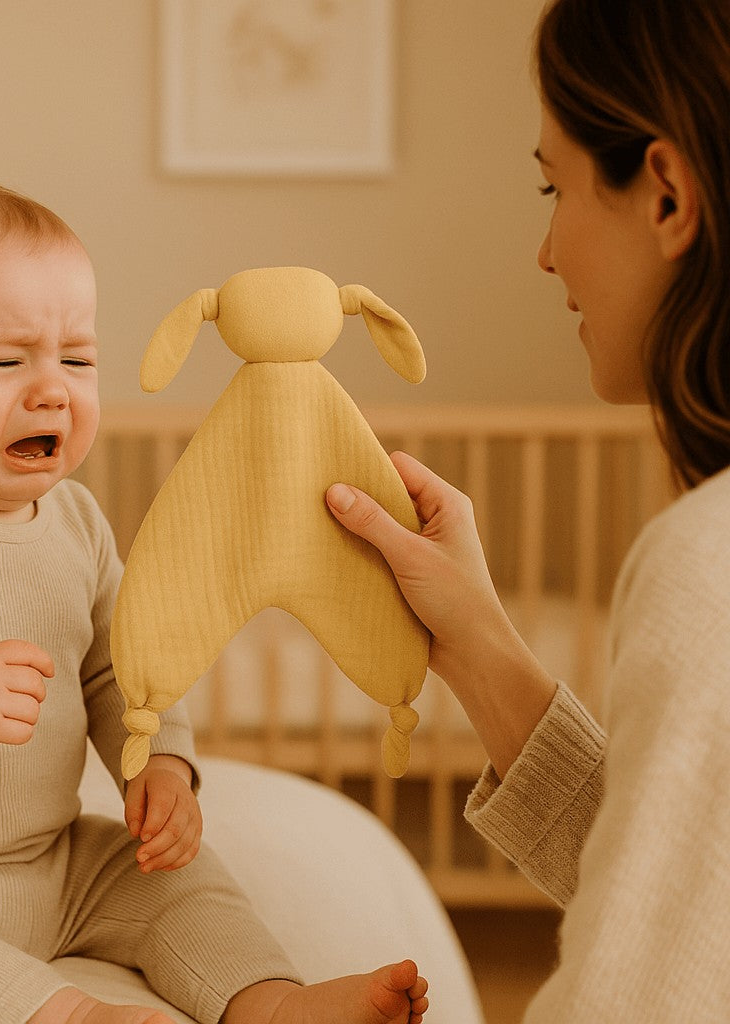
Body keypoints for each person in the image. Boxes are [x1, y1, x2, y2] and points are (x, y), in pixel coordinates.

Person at [0, 176, 430, 1024]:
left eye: (76, 359)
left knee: (182, 882)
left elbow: (121, 669)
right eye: (6, 361)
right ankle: (64, 1012)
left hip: (52, 859)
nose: (53, 390)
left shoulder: (73, 518)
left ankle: (270, 1002)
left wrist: (161, 766)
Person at [326, 0, 730, 1020]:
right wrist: (471, 641)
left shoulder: (709, 560)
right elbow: (675, 891)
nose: (545, 254)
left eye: (555, 188)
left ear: (668, 196)